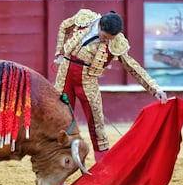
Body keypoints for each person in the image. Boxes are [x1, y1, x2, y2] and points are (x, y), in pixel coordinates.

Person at [53, 9, 168, 161]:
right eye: (105, 36)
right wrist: (59, 53)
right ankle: (55, 164)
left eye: (110, 38)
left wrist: (155, 89)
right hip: (65, 72)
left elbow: (132, 66)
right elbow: (64, 26)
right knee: (60, 118)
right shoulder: (86, 18)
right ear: (100, 25)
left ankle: (103, 163)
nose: (107, 40)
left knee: (97, 122)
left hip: (88, 80)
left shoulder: (116, 42)